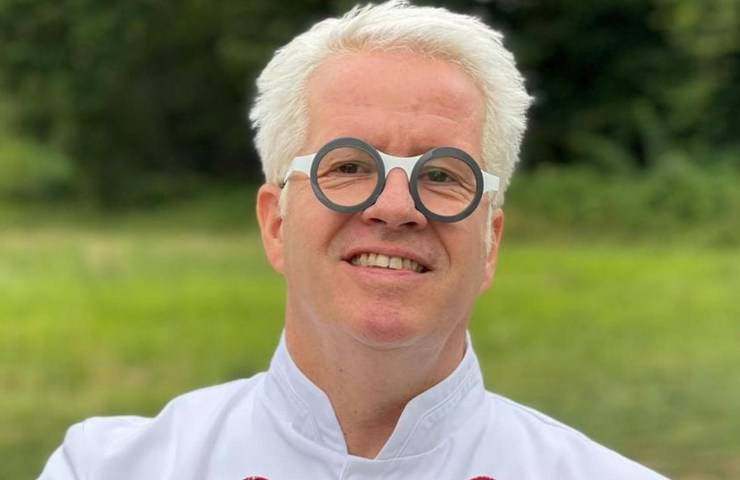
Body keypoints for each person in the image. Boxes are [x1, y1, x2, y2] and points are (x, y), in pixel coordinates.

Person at [40, 1, 669, 479]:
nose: (396, 208)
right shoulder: (108, 468)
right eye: (348, 166)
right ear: (276, 223)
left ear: (490, 242)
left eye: (443, 175)